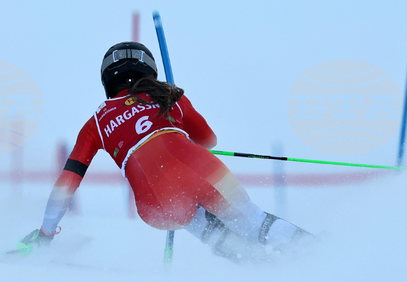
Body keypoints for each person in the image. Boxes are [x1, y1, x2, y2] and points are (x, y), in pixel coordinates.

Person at [15, 42, 313, 263]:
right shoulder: (171, 96)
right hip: (201, 168)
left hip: (154, 204)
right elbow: (208, 139)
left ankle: (259, 266)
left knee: (199, 222)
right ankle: (313, 254)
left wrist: (45, 233)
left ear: (107, 78)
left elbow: (68, 182)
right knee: (252, 221)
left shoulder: (96, 122)